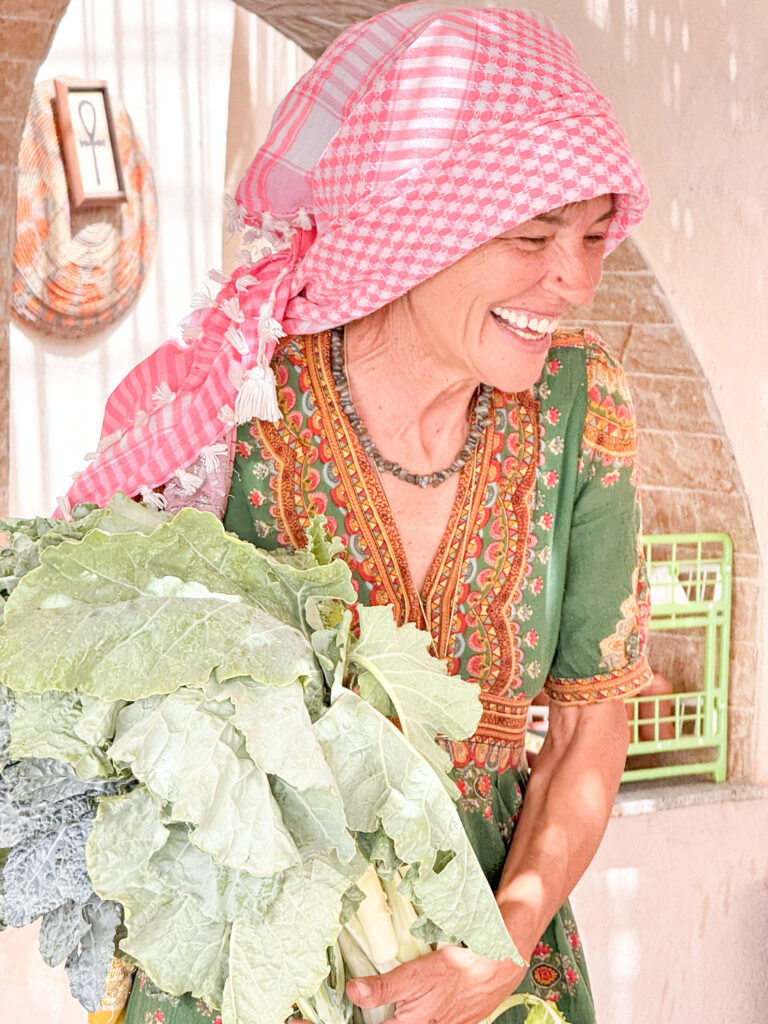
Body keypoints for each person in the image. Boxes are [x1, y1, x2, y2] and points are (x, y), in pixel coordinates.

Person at [75, 5, 653, 1023]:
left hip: (497, 967)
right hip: (242, 970)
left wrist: (500, 946)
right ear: (410, 227)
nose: (573, 279)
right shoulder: (235, 411)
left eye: (595, 236)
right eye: (531, 237)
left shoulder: (581, 405)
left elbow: (588, 722)